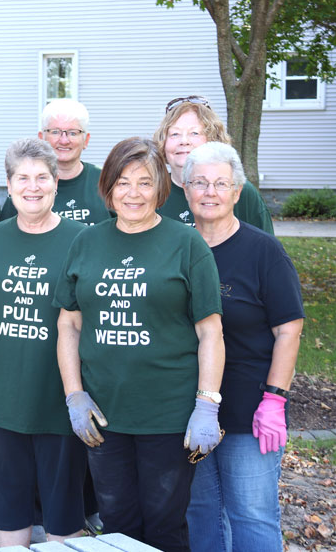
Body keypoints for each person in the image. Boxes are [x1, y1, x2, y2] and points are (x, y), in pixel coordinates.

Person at [54, 136, 225, 552]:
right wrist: (74, 396)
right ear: (108, 187)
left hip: (167, 417)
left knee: (165, 527)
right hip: (104, 417)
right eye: (123, 182)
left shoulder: (186, 244)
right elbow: (68, 326)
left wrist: (207, 404)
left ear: (161, 188)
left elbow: (211, 332)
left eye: (145, 183)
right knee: (117, 526)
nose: (133, 193)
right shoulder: (87, 242)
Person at [0, 138, 88, 547]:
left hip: (60, 396)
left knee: (63, 510)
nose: (33, 187)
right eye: (23, 178)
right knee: (9, 506)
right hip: (0, 396)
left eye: (42, 177)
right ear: (9, 187)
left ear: (56, 182)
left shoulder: (83, 239)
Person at [182, 142, 304, 552]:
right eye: (200, 182)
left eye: (221, 183)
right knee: (200, 511)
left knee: (251, 515)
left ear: (237, 192)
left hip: (250, 411)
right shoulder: (176, 249)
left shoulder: (262, 251)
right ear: (186, 190)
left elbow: (289, 329)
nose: (210, 192)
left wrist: (275, 400)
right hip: (187, 410)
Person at [153, 95, 274, 233]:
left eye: (194, 133)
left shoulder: (239, 192)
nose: (184, 141)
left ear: (212, 139)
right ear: (163, 142)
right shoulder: (152, 193)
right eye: (175, 134)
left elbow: (265, 249)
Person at [0, 98, 110, 226]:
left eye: (73, 133)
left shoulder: (106, 181)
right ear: (41, 138)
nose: (64, 140)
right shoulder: (25, 188)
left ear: (86, 140)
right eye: (55, 132)